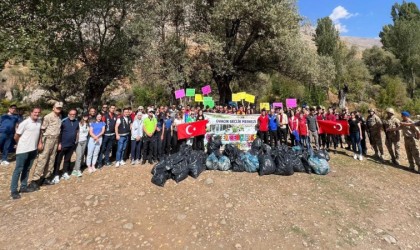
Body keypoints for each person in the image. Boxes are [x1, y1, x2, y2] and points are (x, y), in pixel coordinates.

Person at [10, 107, 42, 199]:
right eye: (35, 112)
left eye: (38, 112)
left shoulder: (39, 122)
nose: (36, 114)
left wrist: (40, 142)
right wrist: (19, 144)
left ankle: (23, 186)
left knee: (27, 168)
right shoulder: (25, 123)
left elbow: (39, 133)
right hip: (23, 150)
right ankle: (14, 190)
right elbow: (16, 136)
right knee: (18, 169)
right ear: (31, 113)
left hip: (33, 149)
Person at [30, 102, 63, 188]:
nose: (58, 109)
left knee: (51, 160)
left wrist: (59, 142)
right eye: (57, 108)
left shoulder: (59, 117)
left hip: (55, 140)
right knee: (42, 159)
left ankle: (45, 177)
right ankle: (35, 180)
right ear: (53, 108)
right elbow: (42, 130)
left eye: (60, 108)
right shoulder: (48, 117)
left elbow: (58, 131)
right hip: (47, 139)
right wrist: (40, 142)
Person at [52, 109, 79, 183]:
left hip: (71, 144)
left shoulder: (76, 122)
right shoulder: (63, 122)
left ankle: (64, 172)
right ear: (68, 114)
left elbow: (77, 131)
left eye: (74, 114)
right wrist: (59, 143)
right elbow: (59, 133)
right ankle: (56, 174)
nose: (72, 115)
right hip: (63, 144)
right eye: (71, 114)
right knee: (58, 161)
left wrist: (75, 141)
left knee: (67, 160)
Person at [72, 113, 89, 177]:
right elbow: (75, 132)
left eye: (86, 116)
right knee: (79, 156)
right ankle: (78, 170)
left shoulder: (87, 124)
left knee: (82, 155)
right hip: (79, 141)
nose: (86, 117)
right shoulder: (78, 123)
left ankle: (74, 169)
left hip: (84, 141)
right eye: (84, 116)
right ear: (82, 117)